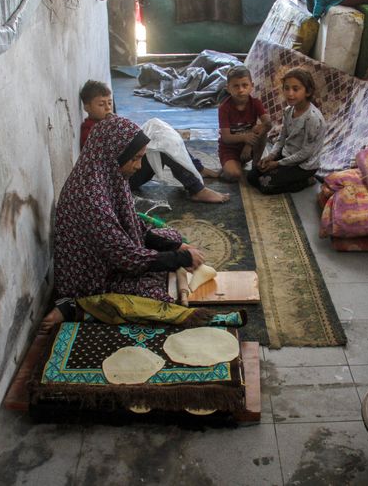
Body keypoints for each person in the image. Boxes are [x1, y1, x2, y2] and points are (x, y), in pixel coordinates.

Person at [43, 116, 207, 328]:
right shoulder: (90, 198)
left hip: (113, 255)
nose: (139, 166)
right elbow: (127, 259)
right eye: (136, 158)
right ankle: (75, 307)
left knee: (171, 236)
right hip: (92, 279)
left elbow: (133, 225)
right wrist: (180, 258)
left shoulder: (108, 174)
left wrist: (174, 247)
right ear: (116, 154)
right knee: (156, 299)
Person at [79, 80, 228, 203]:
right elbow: (109, 164)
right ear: (87, 107)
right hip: (120, 181)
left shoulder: (109, 122)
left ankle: (197, 169)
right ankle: (197, 189)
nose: (107, 108)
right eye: (101, 104)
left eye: (109, 103)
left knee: (158, 130)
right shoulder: (91, 132)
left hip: (130, 169)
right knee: (161, 145)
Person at [247, 67, 324, 194]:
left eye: (295, 89)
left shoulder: (312, 119)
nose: (290, 93)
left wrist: (277, 164)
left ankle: (307, 180)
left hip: (304, 165)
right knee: (252, 177)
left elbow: (306, 153)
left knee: (265, 186)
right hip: (287, 155)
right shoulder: (288, 110)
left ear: (308, 92)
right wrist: (271, 156)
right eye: (286, 88)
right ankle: (281, 173)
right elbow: (281, 138)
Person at [217, 65, 272, 181]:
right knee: (234, 175)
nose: (241, 90)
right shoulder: (224, 108)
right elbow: (226, 138)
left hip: (248, 149)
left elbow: (268, 124)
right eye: (236, 86)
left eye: (245, 85)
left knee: (261, 128)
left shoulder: (256, 103)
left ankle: (255, 165)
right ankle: (229, 166)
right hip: (229, 149)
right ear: (228, 88)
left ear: (251, 86)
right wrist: (245, 138)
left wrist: (248, 144)